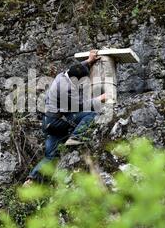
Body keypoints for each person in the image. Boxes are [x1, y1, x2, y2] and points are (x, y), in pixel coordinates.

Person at [24, 50, 107, 185]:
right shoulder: (65, 89)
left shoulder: (63, 75)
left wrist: (88, 61)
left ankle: (31, 180)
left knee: (51, 156)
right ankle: (75, 139)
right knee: (91, 115)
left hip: (48, 123)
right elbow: (82, 105)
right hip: (57, 123)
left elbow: (75, 69)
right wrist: (100, 98)